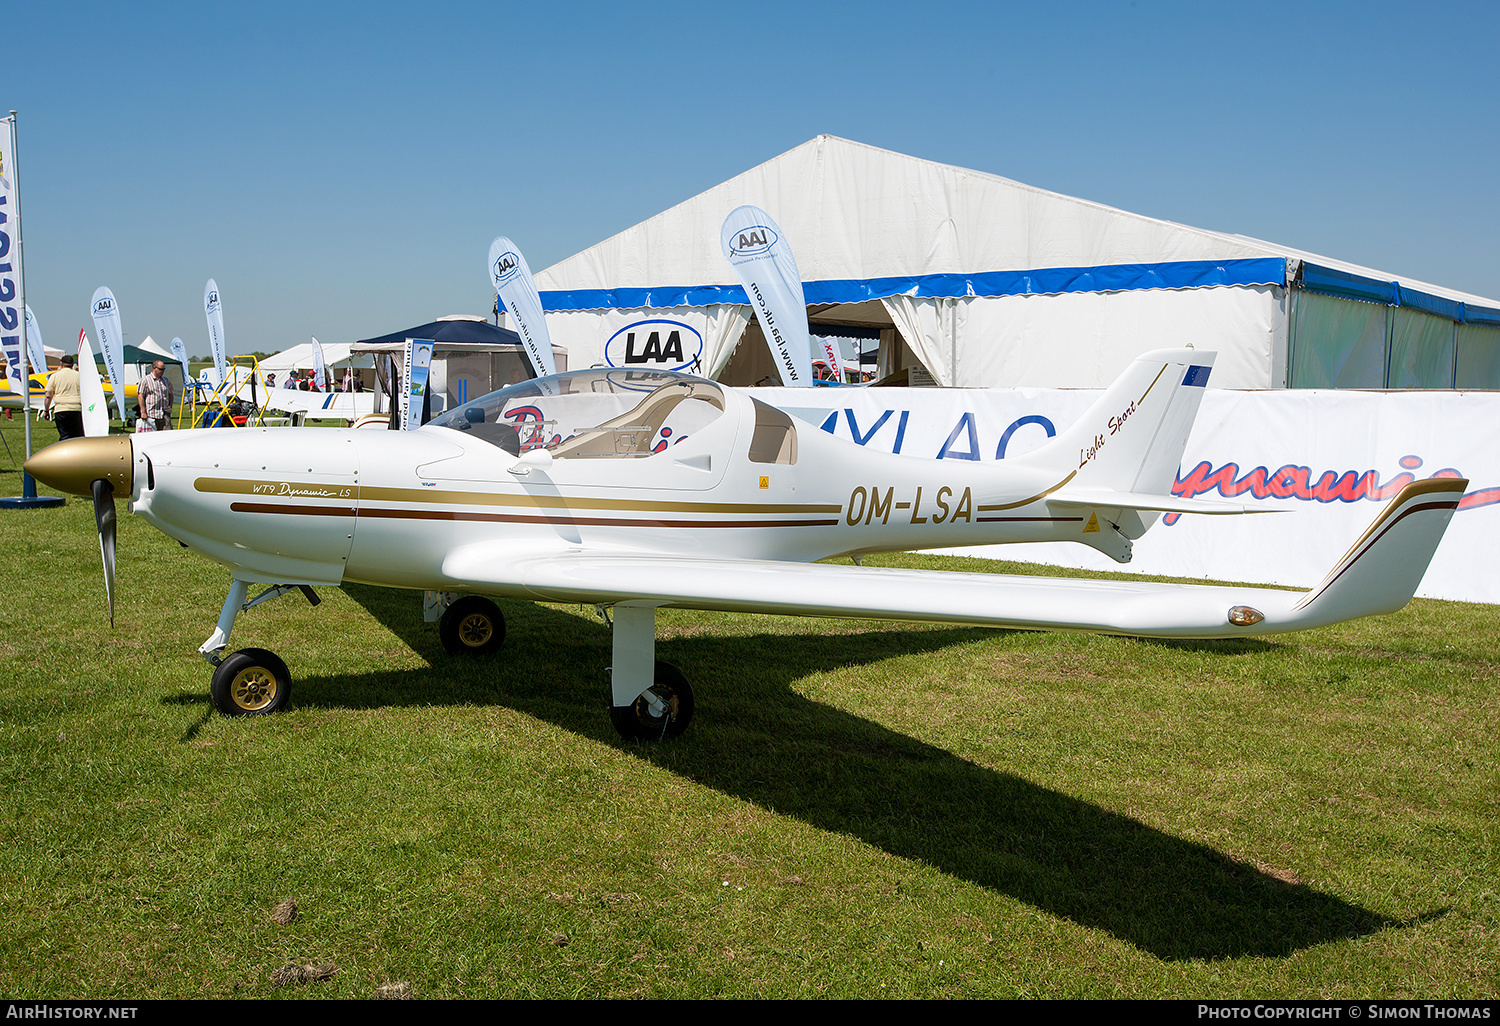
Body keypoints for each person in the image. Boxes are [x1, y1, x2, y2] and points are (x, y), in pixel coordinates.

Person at [43, 355, 83, 441]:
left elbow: (48, 395)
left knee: (64, 435)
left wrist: (46, 410)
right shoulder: (79, 375)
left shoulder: (54, 376)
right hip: (77, 408)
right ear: (72, 365)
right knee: (78, 436)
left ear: (61, 364)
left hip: (61, 409)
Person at [138, 359, 175, 431]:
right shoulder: (145, 380)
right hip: (151, 414)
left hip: (164, 414)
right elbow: (141, 396)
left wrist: (170, 406)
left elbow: (170, 394)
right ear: (154, 368)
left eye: (164, 369)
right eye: (161, 369)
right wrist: (143, 412)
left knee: (168, 434)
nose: (163, 371)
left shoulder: (166, 380)